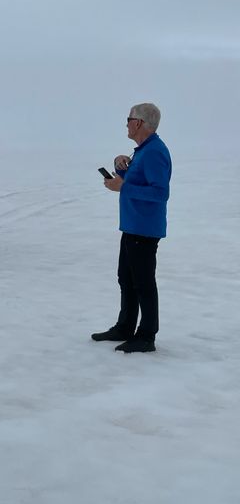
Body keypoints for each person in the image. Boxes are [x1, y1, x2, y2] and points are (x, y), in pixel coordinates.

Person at [92, 103, 172, 353]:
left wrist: (122, 187)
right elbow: (136, 178)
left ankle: (146, 336)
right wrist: (119, 165)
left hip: (144, 229)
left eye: (128, 119)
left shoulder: (155, 151)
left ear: (139, 123)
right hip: (132, 226)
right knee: (126, 278)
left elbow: (160, 193)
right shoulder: (143, 150)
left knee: (143, 282)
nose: (126, 123)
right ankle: (125, 327)